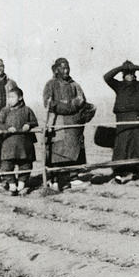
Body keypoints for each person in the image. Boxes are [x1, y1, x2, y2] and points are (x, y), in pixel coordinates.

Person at [104, 60, 139, 183]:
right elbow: (107, 77)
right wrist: (121, 67)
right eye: (127, 73)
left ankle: (138, 171)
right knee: (122, 147)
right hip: (123, 120)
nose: (130, 75)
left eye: (132, 73)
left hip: (138, 119)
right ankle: (118, 173)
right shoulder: (118, 85)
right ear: (123, 74)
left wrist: (136, 67)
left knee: (138, 146)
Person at [43, 57, 91, 191]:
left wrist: (77, 106)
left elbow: (82, 101)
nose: (66, 70)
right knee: (57, 151)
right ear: (57, 69)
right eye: (63, 68)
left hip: (74, 124)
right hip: (58, 123)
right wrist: (69, 106)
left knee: (75, 149)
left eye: (68, 68)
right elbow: (49, 103)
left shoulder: (74, 84)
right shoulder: (51, 84)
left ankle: (74, 177)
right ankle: (55, 179)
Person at [0, 86, 38, 195]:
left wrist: (28, 125)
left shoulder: (27, 110)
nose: (9, 99)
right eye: (8, 97)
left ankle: (21, 185)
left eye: (12, 97)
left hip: (24, 144)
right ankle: (12, 186)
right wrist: (7, 128)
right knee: (6, 165)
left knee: (25, 165)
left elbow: (34, 121)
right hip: (8, 144)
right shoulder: (5, 110)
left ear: (20, 98)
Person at [0, 58, 18, 188]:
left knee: (7, 149)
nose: (0, 68)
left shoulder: (10, 83)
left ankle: (7, 178)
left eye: (1, 66)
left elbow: (18, 100)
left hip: (7, 121)